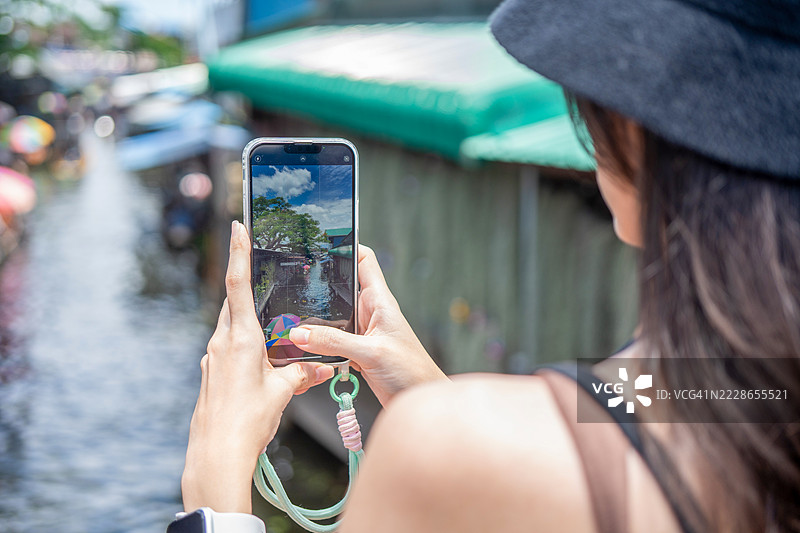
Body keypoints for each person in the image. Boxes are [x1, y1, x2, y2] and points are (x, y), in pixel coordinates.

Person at [177, 0, 800, 531]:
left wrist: (216, 497)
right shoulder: (745, 392)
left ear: (634, 130)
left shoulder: (443, 451)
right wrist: (431, 398)